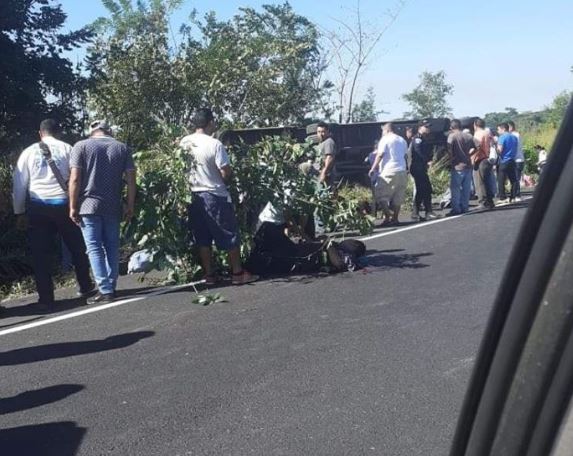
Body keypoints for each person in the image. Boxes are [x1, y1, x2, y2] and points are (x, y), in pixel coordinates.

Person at [12, 119, 94, 311]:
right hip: (65, 205)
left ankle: (46, 298)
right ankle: (85, 285)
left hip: (38, 208)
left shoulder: (28, 152)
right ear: (58, 132)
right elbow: (77, 178)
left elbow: (19, 184)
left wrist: (19, 212)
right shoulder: (68, 149)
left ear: (40, 133)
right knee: (77, 247)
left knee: (40, 254)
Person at [180, 108, 258, 286]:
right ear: (210, 123)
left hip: (193, 195)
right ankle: (237, 273)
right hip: (214, 194)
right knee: (228, 233)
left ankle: (209, 275)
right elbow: (225, 171)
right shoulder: (215, 144)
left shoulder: (184, 142)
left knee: (202, 237)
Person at [69, 120, 136, 304]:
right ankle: (111, 286)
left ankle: (105, 289)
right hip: (113, 205)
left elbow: (75, 179)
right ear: (109, 130)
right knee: (112, 247)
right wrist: (130, 204)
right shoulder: (122, 148)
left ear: (91, 131)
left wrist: (73, 206)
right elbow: (131, 179)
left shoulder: (81, 146)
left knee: (94, 248)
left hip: (88, 205)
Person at [368, 123, 409, 226]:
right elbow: (405, 155)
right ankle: (395, 218)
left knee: (380, 194)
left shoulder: (385, 139)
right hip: (402, 169)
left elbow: (380, 154)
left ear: (386, 130)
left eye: (383, 131)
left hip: (389, 170)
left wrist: (373, 168)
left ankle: (388, 215)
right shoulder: (402, 140)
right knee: (398, 195)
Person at [447, 119, 477, 216]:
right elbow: (478, 145)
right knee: (466, 188)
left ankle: (456, 208)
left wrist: (451, 159)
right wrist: (469, 154)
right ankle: (465, 207)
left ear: (451, 127)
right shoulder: (468, 135)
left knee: (455, 188)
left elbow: (449, 149)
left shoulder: (452, 136)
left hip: (457, 165)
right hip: (468, 164)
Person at [409, 120, 438, 221]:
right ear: (420, 127)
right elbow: (418, 152)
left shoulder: (424, 138)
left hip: (421, 167)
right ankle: (424, 212)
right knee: (424, 189)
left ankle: (421, 212)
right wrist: (427, 161)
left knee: (425, 189)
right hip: (417, 167)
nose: (428, 128)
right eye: (426, 127)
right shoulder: (418, 139)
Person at [473, 118, 495, 209]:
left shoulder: (478, 134)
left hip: (480, 159)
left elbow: (477, 147)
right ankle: (490, 201)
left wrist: (473, 159)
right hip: (488, 158)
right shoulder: (488, 133)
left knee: (480, 182)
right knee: (487, 181)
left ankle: (483, 202)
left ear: (475, 125)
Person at [496, 122, 519, 203]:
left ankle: (502, 197)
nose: (498, 131)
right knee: (514, 180)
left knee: (501, 179)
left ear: (503, 129)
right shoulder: (514, 137)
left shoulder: (502, 137)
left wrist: (496, 149)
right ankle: (513, 196)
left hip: (504, 160)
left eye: (498, 129)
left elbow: (500, 150)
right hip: (512, 160)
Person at [316, 122, 338, 188]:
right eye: (319, 132)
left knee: (326, 193)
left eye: (323, 132)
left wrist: (323, 173)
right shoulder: (321, 143)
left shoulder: (329, 142)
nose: (321, 134)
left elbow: (329, 157)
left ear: (328, 132)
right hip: (320, 172)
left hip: (326, 174)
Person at [508, 121, 524, 201]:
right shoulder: (518, 134)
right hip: (520, 159)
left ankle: (516, 195)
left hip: (516, 159)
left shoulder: (513, 135)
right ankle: (516, 195)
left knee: (515, 178)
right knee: (516, 178)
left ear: (510, 127)